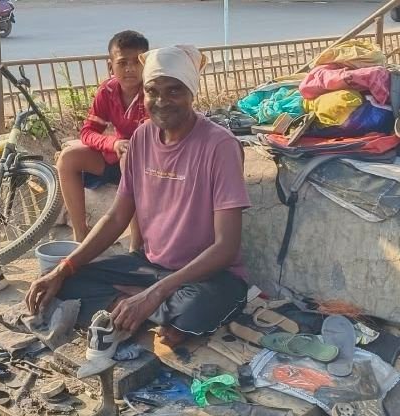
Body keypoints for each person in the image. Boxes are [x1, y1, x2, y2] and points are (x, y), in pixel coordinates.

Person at [28, 45, 250, 348]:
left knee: (193, 310)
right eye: (152, 91)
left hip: (206, 276)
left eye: (174, 91)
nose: (161, 101)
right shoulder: (142, 137)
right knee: (63, 282)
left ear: (191, 93)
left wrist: (155, 293)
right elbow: (116, 217)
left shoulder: (220, 145)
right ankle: (142, 311)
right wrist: (63, 268)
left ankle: (139, 308)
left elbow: (226, 247)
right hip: (149, 265)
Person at [56, 30, 149, 251]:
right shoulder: (107, 91)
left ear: (147, 64)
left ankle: (136, 246)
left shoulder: (152, 91)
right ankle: (81, 234)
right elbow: (88, 132)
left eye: (137, 62)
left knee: (128, 158)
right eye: (122, 63)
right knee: (67, 158)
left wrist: (125, 147)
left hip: (148, 162)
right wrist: (112, 144)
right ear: (110, 67)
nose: (130, 68)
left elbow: (153, 135)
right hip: (116, 153)